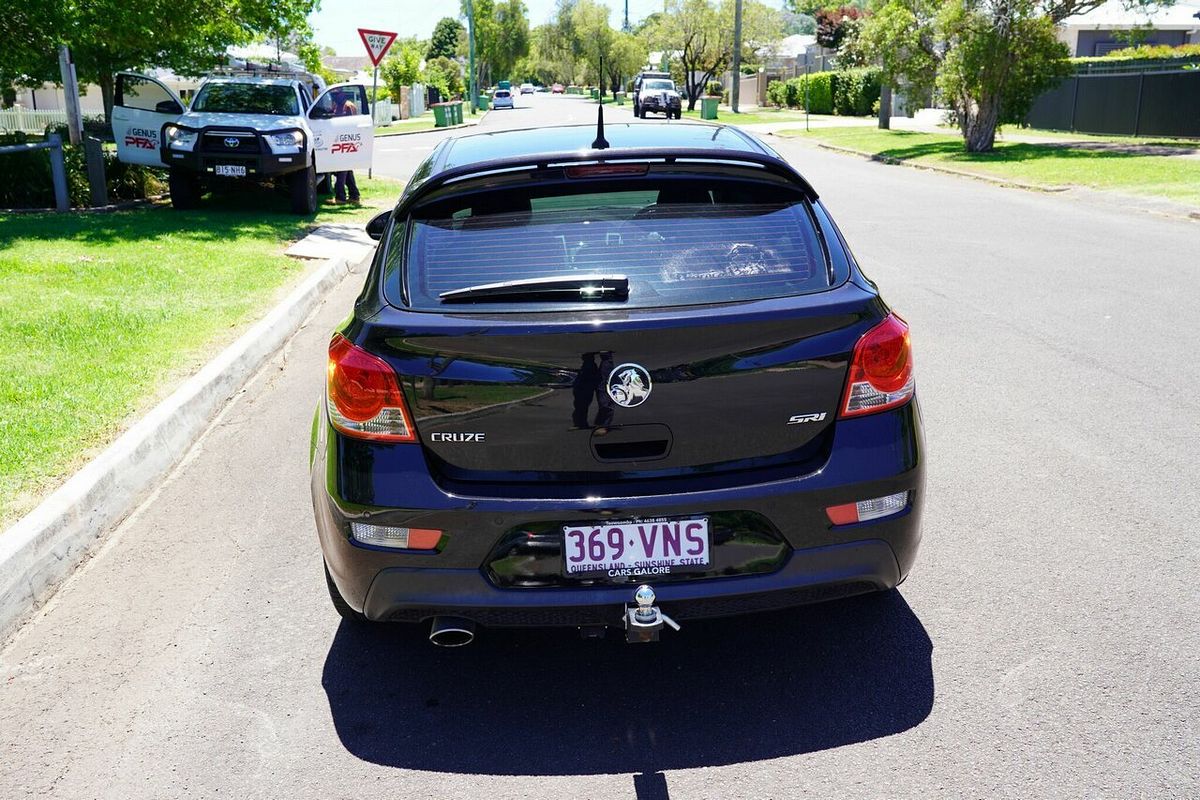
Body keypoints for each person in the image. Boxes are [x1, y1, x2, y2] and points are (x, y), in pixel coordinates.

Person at [332, 90, 360, 204]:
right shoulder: (336, 106)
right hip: (338, 140)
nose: (334, 97)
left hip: (346, 141)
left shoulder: (348, 106)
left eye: (336, 95)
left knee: (342, 169)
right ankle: (354, 195)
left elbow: (352, 124)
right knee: (347, 170)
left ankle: (340, 197)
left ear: (342, 95)